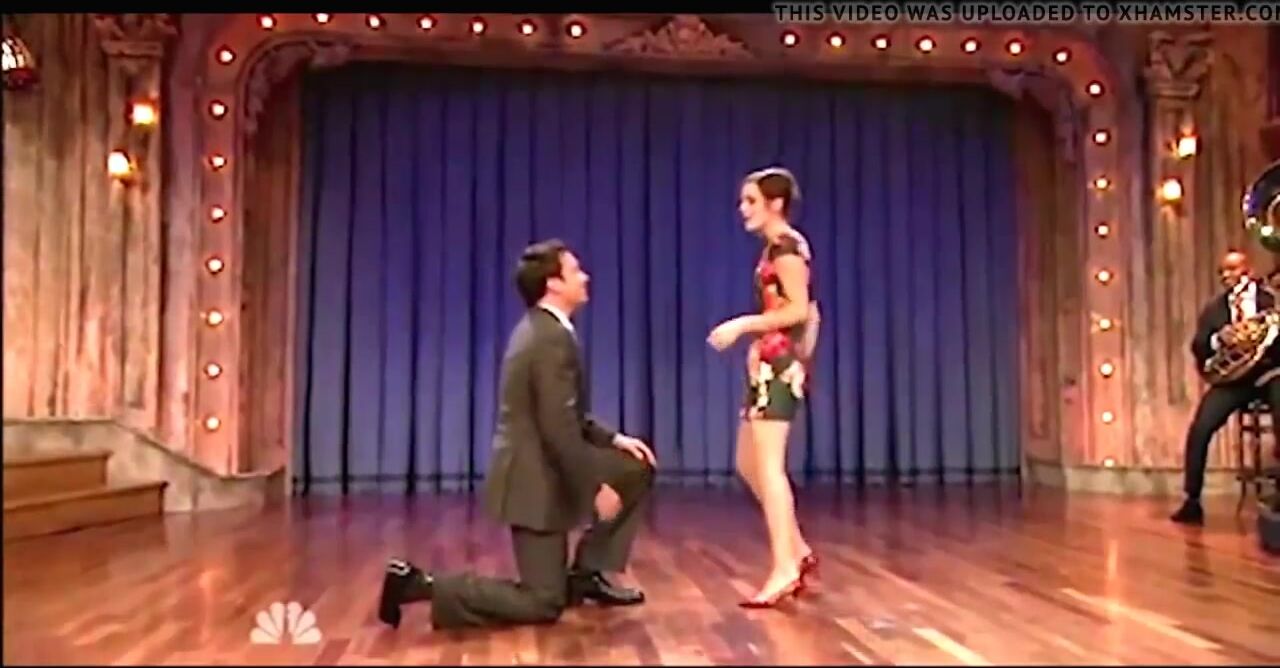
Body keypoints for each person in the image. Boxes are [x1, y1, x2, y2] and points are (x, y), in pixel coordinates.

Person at [377, 239, 657, 630]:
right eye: (575, 271)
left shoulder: (549, 330)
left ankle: (586, 574)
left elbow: (567, 414)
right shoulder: (547, 338)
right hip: (534, 482)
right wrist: (594, 487)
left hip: (547, 466)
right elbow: (556, 428)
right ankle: (420, 585)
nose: (585, 277)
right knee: (542, 602)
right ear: (553, 284)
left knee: (633, 466)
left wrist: (614, 440)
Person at [707, 167, 820, 608]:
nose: (743, 209)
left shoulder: (787, 248)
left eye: (751, 201)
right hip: (769, 362)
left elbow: (799, 310)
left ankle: (785, 566)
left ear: (775, 204)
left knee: (769, 466)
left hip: (779, 363)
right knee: (748, 462)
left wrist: (743, 326)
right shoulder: (778, 247)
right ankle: (798, 549)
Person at [1172, 249, 1280, 525]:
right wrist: (1219, 340)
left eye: (1233, 269)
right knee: (1201, 427)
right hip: (1234, 380)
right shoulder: (1215, 309)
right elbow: (1198, 346)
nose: (1227, 276)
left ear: (1248, 271)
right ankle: (1192, 500)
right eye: (1223, 271)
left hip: (1271, 373)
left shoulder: (1271, 300)